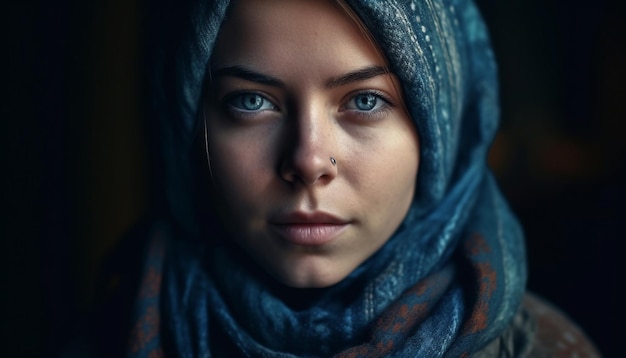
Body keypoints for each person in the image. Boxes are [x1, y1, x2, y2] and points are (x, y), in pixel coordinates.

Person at [82, 0, 602, 357]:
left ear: (438, 129)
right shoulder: (106, 333)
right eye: (251, 101)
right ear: (189, 126)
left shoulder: (542, 349)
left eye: (365, 101)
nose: (308, 161)